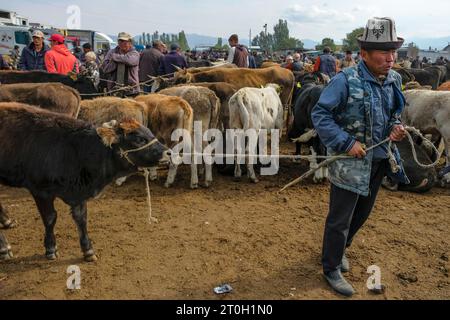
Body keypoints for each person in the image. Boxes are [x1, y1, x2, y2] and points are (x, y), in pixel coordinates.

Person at [311, 17, 408, 297]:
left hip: (379, 157)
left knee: (363, 213)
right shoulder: (344, 81)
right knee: (340, 217)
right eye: (383, 52)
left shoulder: (394, 80)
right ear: (364, 54)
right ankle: (331, 267)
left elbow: (394, 114)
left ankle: (341, 249)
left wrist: (395, 128)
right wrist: (346, 141)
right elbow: (320, 114)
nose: (390, 59)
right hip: (349, 163)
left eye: (394, 52)